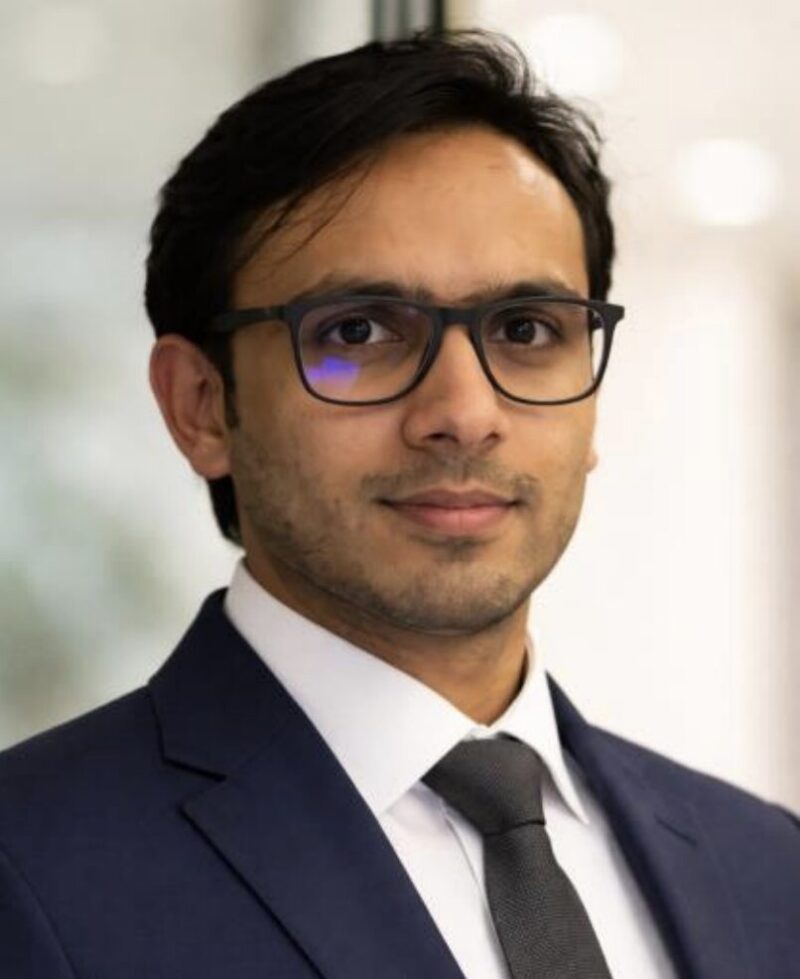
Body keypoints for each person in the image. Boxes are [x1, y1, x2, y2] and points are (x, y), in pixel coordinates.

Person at [0, 30, 797, 979]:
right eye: (360, 330)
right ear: (201, 406)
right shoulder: (33, 867)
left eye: (527, 329)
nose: (464, 413)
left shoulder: (768, 867)